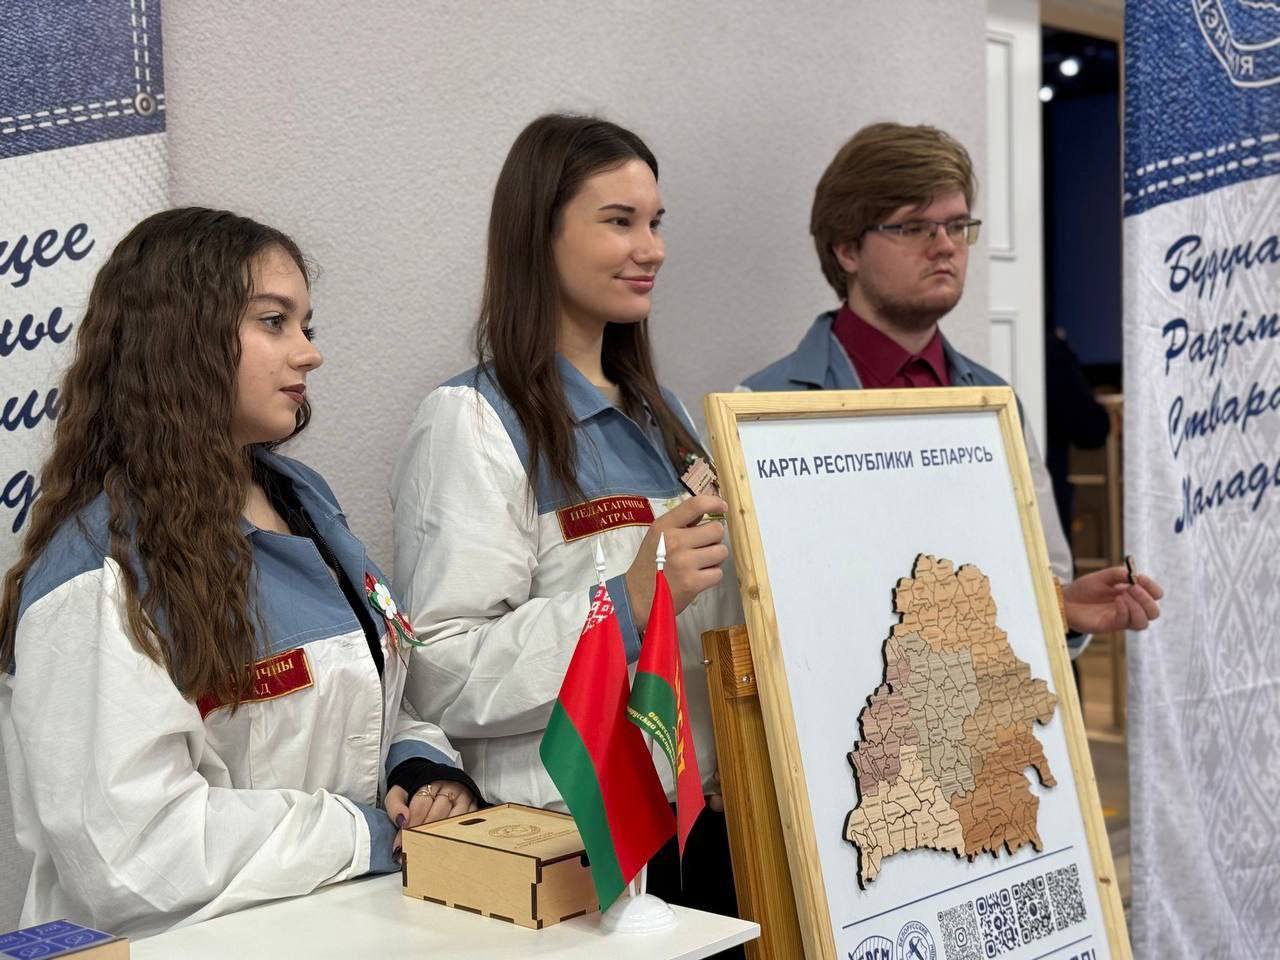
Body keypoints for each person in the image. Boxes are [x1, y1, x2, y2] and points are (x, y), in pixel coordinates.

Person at [0, 208, 479, 939]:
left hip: (343, 926)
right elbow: (131, 856)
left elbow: (373, 701)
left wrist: (421, 775)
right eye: (274, 322)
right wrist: (363, 833)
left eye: (306, 326)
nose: (310, 354)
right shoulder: (100, 572)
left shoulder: (305, 502)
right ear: (182, 337)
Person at [390, 115, 743, 932]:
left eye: (655, 222)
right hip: (570, 851)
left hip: (701, 830)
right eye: (619, 222)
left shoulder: (667, 417)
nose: (651, 249)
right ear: (538, 234)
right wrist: (625, 604)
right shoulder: (472, 421)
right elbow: (441, 672)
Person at [740, 123, 1162, 647]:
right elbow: (759, 612)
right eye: (914, 227)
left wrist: (1065, 611)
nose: (945, 246)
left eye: (958, 226)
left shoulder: (994, 402)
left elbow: (1043, 574)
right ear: (847, 249)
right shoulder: (762, 408)